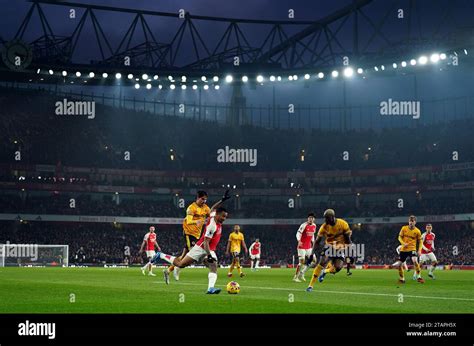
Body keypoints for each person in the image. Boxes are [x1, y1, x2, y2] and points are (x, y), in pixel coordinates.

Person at [151, 207, 229, 294]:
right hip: (201, 248)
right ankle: (161, 255)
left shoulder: (213, 216)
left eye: (225, 217)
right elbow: (206, 242)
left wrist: (222, 200)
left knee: (213, 266)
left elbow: (212, 208)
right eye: (223, 216)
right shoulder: (212, 226)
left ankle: (210, 289)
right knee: (180, 264)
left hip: (209, 249)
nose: (224, 219)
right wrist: (209, 255)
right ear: (217, 215)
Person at [166, 190, 230, 281]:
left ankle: (171, 269)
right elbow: (188, 221)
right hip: (189, 233)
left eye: (205, 199)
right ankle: (176, 267)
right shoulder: (191, 208)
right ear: (197, 198)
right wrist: (197, 221)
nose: (204, 201)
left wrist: (222, 200)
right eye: (202, 199)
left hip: (197, 235)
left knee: (186, 256)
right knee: (194, 257)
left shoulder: (205, 208)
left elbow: (212, 211)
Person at [306, 209, 352, 292]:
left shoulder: (343, 224)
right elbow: (317, 241)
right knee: (322, 262)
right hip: (329, 247)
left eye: (326, 218)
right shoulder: (324, 227)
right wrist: (312, 254)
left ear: (332, 217)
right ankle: (310, 286)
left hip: (340, 248)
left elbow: (348, 239)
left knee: (338, 268)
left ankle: (325, 271)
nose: (325, 220)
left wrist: (350, 252)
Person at [391, 215, 425, 284]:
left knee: (415, 260)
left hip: (412, 248)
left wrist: (419, 250)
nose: (411, 222)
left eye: (412, 221)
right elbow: (399, 237)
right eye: (410, 221)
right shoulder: (404, 228)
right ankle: (402, 279)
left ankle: (419, 277)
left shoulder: (417, 231)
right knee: (400, 264)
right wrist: (403, 243)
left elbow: (420, 241)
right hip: (403, 249)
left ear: (415, 222)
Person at [293, 213, 316, 282]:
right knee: (302, 262)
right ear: (307, 219)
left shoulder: (314, 226)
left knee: (314, 261)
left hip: (309, 247)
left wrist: (313, 242)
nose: (310, 219)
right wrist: (299, 240)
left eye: (312, 218)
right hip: (302, 246)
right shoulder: (304, 225)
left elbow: (312, 235)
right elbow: (298, 233)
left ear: (314, 219)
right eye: (309, 218)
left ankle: (302, 273)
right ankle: (295, 277)